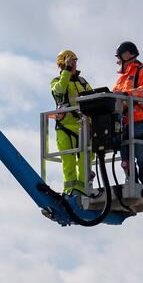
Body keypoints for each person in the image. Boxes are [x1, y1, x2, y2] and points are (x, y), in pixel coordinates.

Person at [50, 49, 93, 195]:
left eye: (74, 61)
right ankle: (70, 191)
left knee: (86, 160)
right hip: (65, 127)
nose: (74, 64)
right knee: (68, 162)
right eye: (70, 62)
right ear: (62, 64)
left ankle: (83, 190)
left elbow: (93, 97)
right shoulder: (56, 81)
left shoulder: (82, 82)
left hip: (84, 126)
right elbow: (59, 91)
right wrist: (67, 71)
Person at [112, 41, 143, 185]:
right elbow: (114, 96)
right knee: (124, 147)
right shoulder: (122, 78)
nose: (117, 60)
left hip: (140, 119)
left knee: (141, 154)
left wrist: (127, 95)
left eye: (119, 56)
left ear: (127, 55)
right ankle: (132, 181)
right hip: (124, 121)